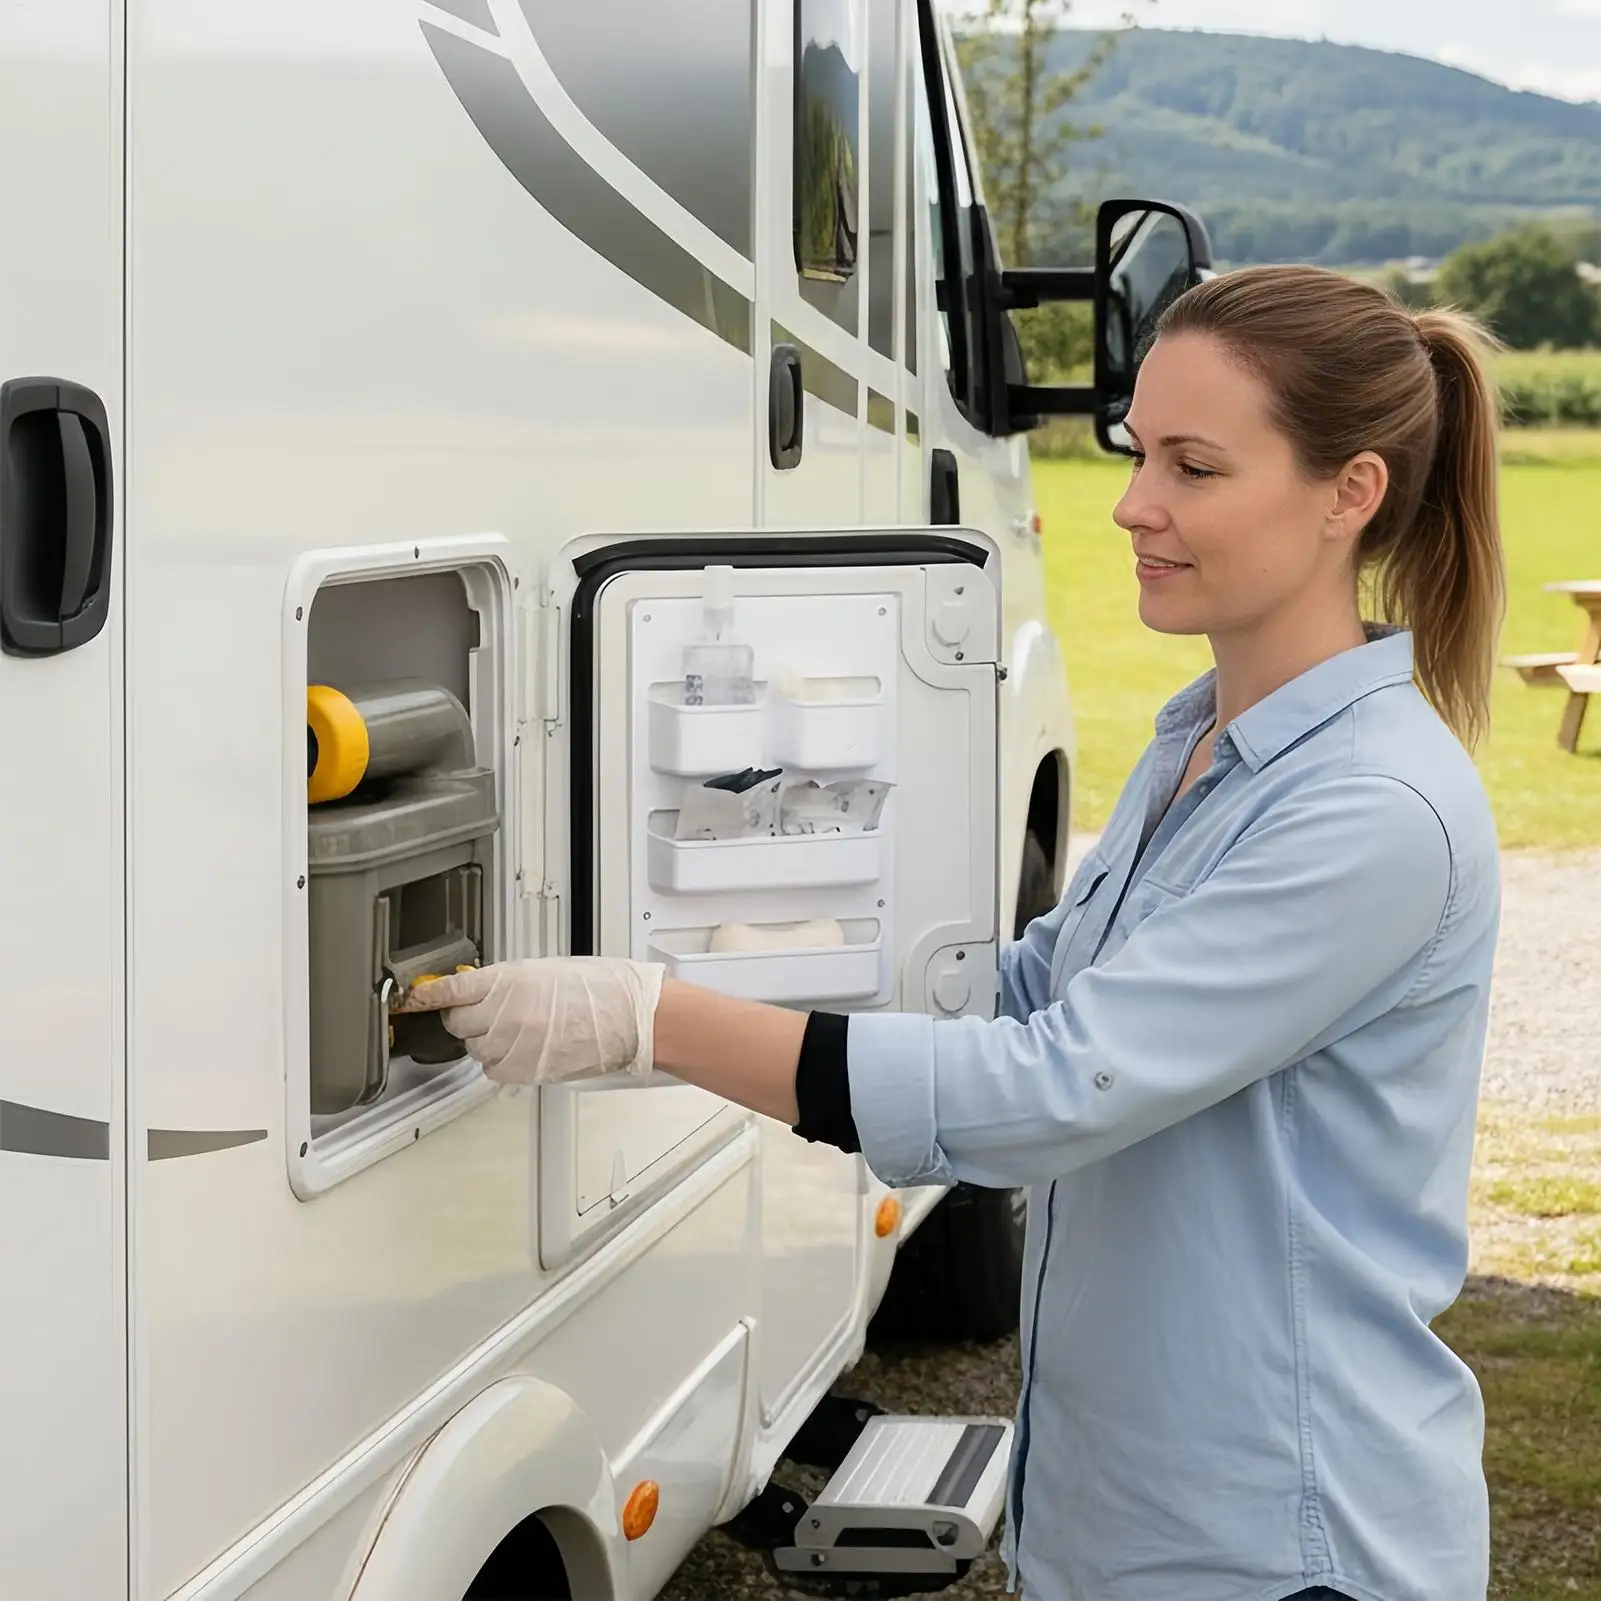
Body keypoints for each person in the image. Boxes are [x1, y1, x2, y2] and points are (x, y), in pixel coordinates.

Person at [404, 265, 1506, 1601]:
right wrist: (739, 948)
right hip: (1127, 1530)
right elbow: (1020, 996)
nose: (1133, 504)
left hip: (1282, 1546)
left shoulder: (1371, 810)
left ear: (1353, 494)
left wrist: (653, 1018)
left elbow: (1049, 1088)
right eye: (1138, 451)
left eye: (1195, 468)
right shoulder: (1202, 745)